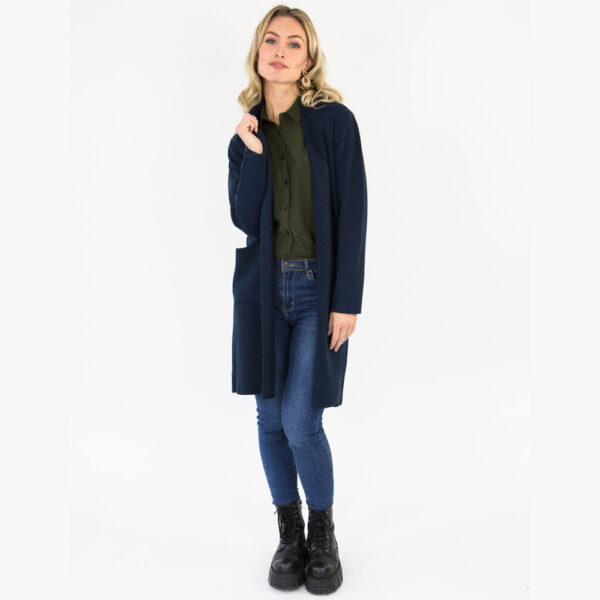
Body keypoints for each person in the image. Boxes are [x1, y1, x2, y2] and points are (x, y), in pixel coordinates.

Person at [227, 5, 367, 595]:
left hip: (316, 290)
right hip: (263, 292)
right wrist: (253, 153)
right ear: (258, 52)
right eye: (271, 40)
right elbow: (244, 220)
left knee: (300, 421)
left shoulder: (335, 123)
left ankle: (323, 532)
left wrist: (347, 300)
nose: (280, 51)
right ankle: (290, 537)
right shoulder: (246, 135)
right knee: (268, 419)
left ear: (308, 59)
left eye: (293, 43)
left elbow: (353, 211)